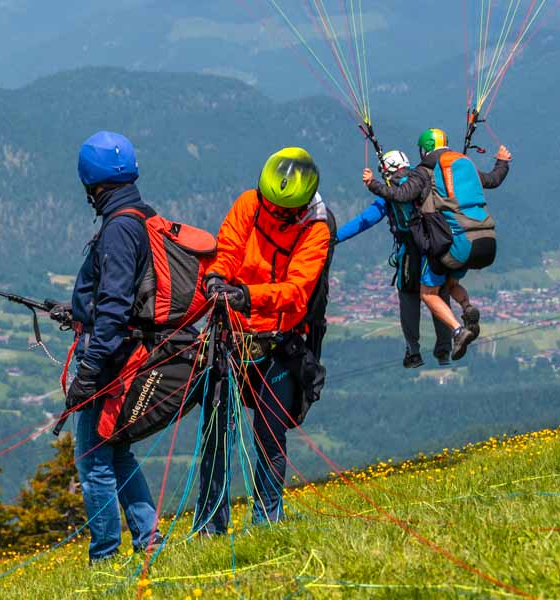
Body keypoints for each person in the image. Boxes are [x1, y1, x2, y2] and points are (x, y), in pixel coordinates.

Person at [194, 147, 331, 534]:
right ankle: (210, 526)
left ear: (298, 208)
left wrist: (250, 296)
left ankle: (267, 520)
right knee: (215, 432)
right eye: (269, 204)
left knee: (270, 433)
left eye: (280, 210)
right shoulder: (250, 204)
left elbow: (297, 290)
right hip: (233, 337)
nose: (272, 213)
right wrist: (218, 277)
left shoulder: (316, 230)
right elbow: (230, 247)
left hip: (278, 343)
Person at [64, 131, 164, 562]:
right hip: (122, 348)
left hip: (109, 356)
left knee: (93, 460)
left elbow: (116, 304)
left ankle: (104, 554)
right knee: (116, 451)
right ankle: (148, 541)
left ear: (91, 181)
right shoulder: (139, 214)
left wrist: (89, 370)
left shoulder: (120, 227)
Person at [362, 128, 512, 360]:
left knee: (428, 292)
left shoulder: (423, 171)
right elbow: (493, 180)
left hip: (455, 243)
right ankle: (467, 307)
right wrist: (502, 161)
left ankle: (458, 330)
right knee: (450, 285)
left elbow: (402, 195)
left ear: (424, 150)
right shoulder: (465, 164)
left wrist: (373, 183)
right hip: (484, 239)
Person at [336, 150, 452, 368]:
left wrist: (333, 238)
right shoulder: (425, 182)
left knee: (408, 298)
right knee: (439, 294)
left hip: (410, 254)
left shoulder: (389, 194)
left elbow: (365, 221)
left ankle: (413, 351)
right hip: (435, 251)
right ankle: (444, 349)